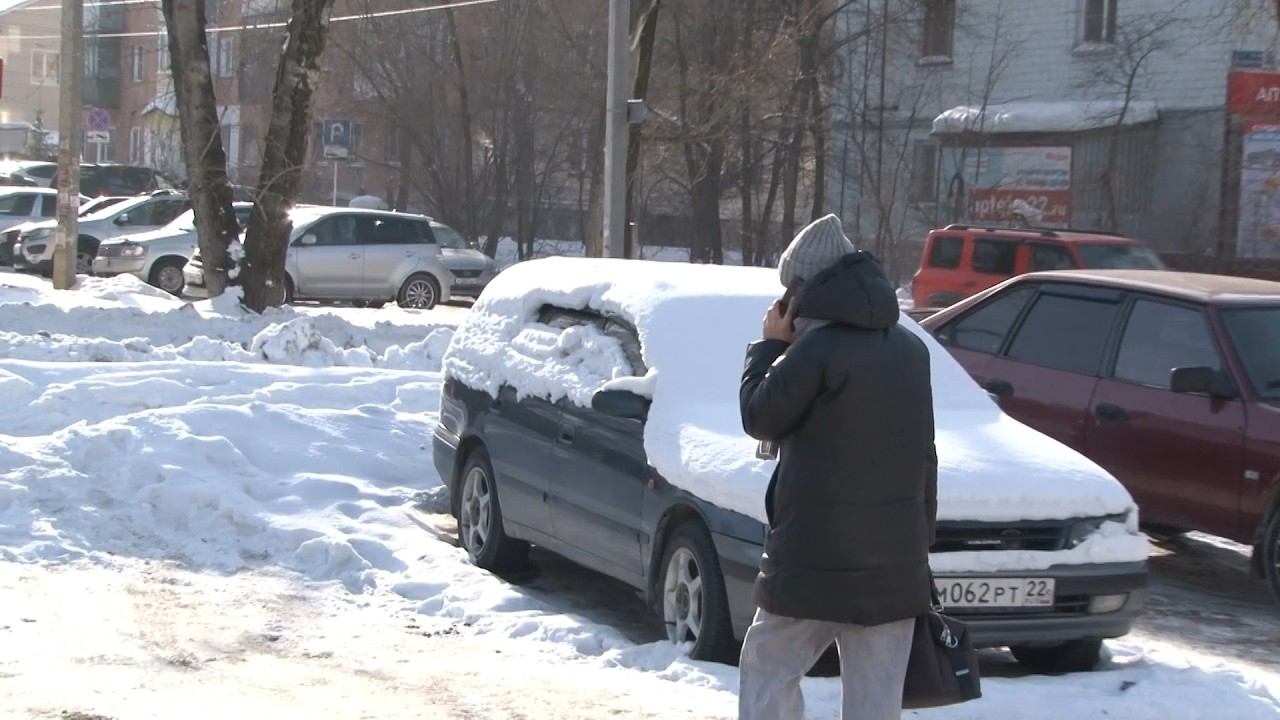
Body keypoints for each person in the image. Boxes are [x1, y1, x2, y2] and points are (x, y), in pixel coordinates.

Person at [738, 214, 938, 720]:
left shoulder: (815, 350)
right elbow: (925, 456)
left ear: (802, 291)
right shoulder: (911, 349)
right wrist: (918, 547)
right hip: (894, 564)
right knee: (876, 701)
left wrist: (769, 347)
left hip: (813, 559)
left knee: (768, 670)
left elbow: (760, 417)